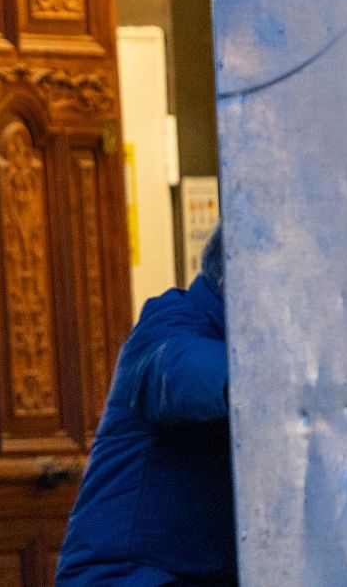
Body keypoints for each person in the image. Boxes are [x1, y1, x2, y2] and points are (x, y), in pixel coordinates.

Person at [56, 226, 234, 586]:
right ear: (232, 282)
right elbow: (179, 369)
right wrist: (270, 379)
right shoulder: (170, 321)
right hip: (127, 578)